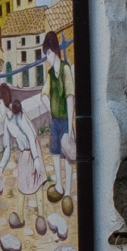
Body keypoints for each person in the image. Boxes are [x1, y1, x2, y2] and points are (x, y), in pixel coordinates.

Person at [0, 84, 48, 224]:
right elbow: (7, 148)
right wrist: (1, 168)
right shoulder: (7, 123)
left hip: (33, 151)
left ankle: (41, 216)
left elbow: (31, 136)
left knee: (37, 182)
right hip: (24, 154)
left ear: (4, 101)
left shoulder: (19, 117)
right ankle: (20, 216)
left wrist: (36, 159)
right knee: (22, 184)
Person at [42, 31, 76, 204]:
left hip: (65, 121)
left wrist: (70, 130)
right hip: (55, 120)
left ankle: (68, 192)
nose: (47, 57)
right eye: (46, 54)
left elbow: (70, 98)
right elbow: (43, 95)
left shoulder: (65, 70)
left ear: (54, 51)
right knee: (55, 152)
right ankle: (60, 187)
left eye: (48, 53)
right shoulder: (50, 74)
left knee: (67, 155)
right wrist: (51, 110)